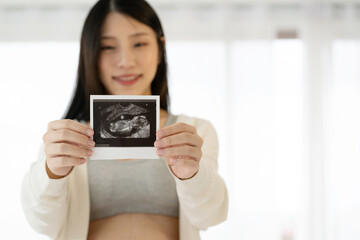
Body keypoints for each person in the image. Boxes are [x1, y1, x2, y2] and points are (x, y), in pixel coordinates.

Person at [21, 0, 228, 239]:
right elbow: (42, 223)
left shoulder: (194, 132)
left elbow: (210, 216)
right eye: (108, 47)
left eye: (139, 43)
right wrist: (53, 173)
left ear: (160, 49)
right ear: (91, 54)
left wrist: (192, 175)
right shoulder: (67, 138)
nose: (126, 61)